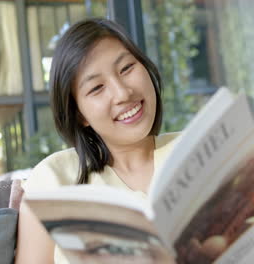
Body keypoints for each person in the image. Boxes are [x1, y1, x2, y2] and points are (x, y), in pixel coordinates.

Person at [15, 18, 180, 264]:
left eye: (126, 69)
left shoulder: (194, 147)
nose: (123, 93)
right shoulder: (52, 180)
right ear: (80, 114)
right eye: (97, 88)